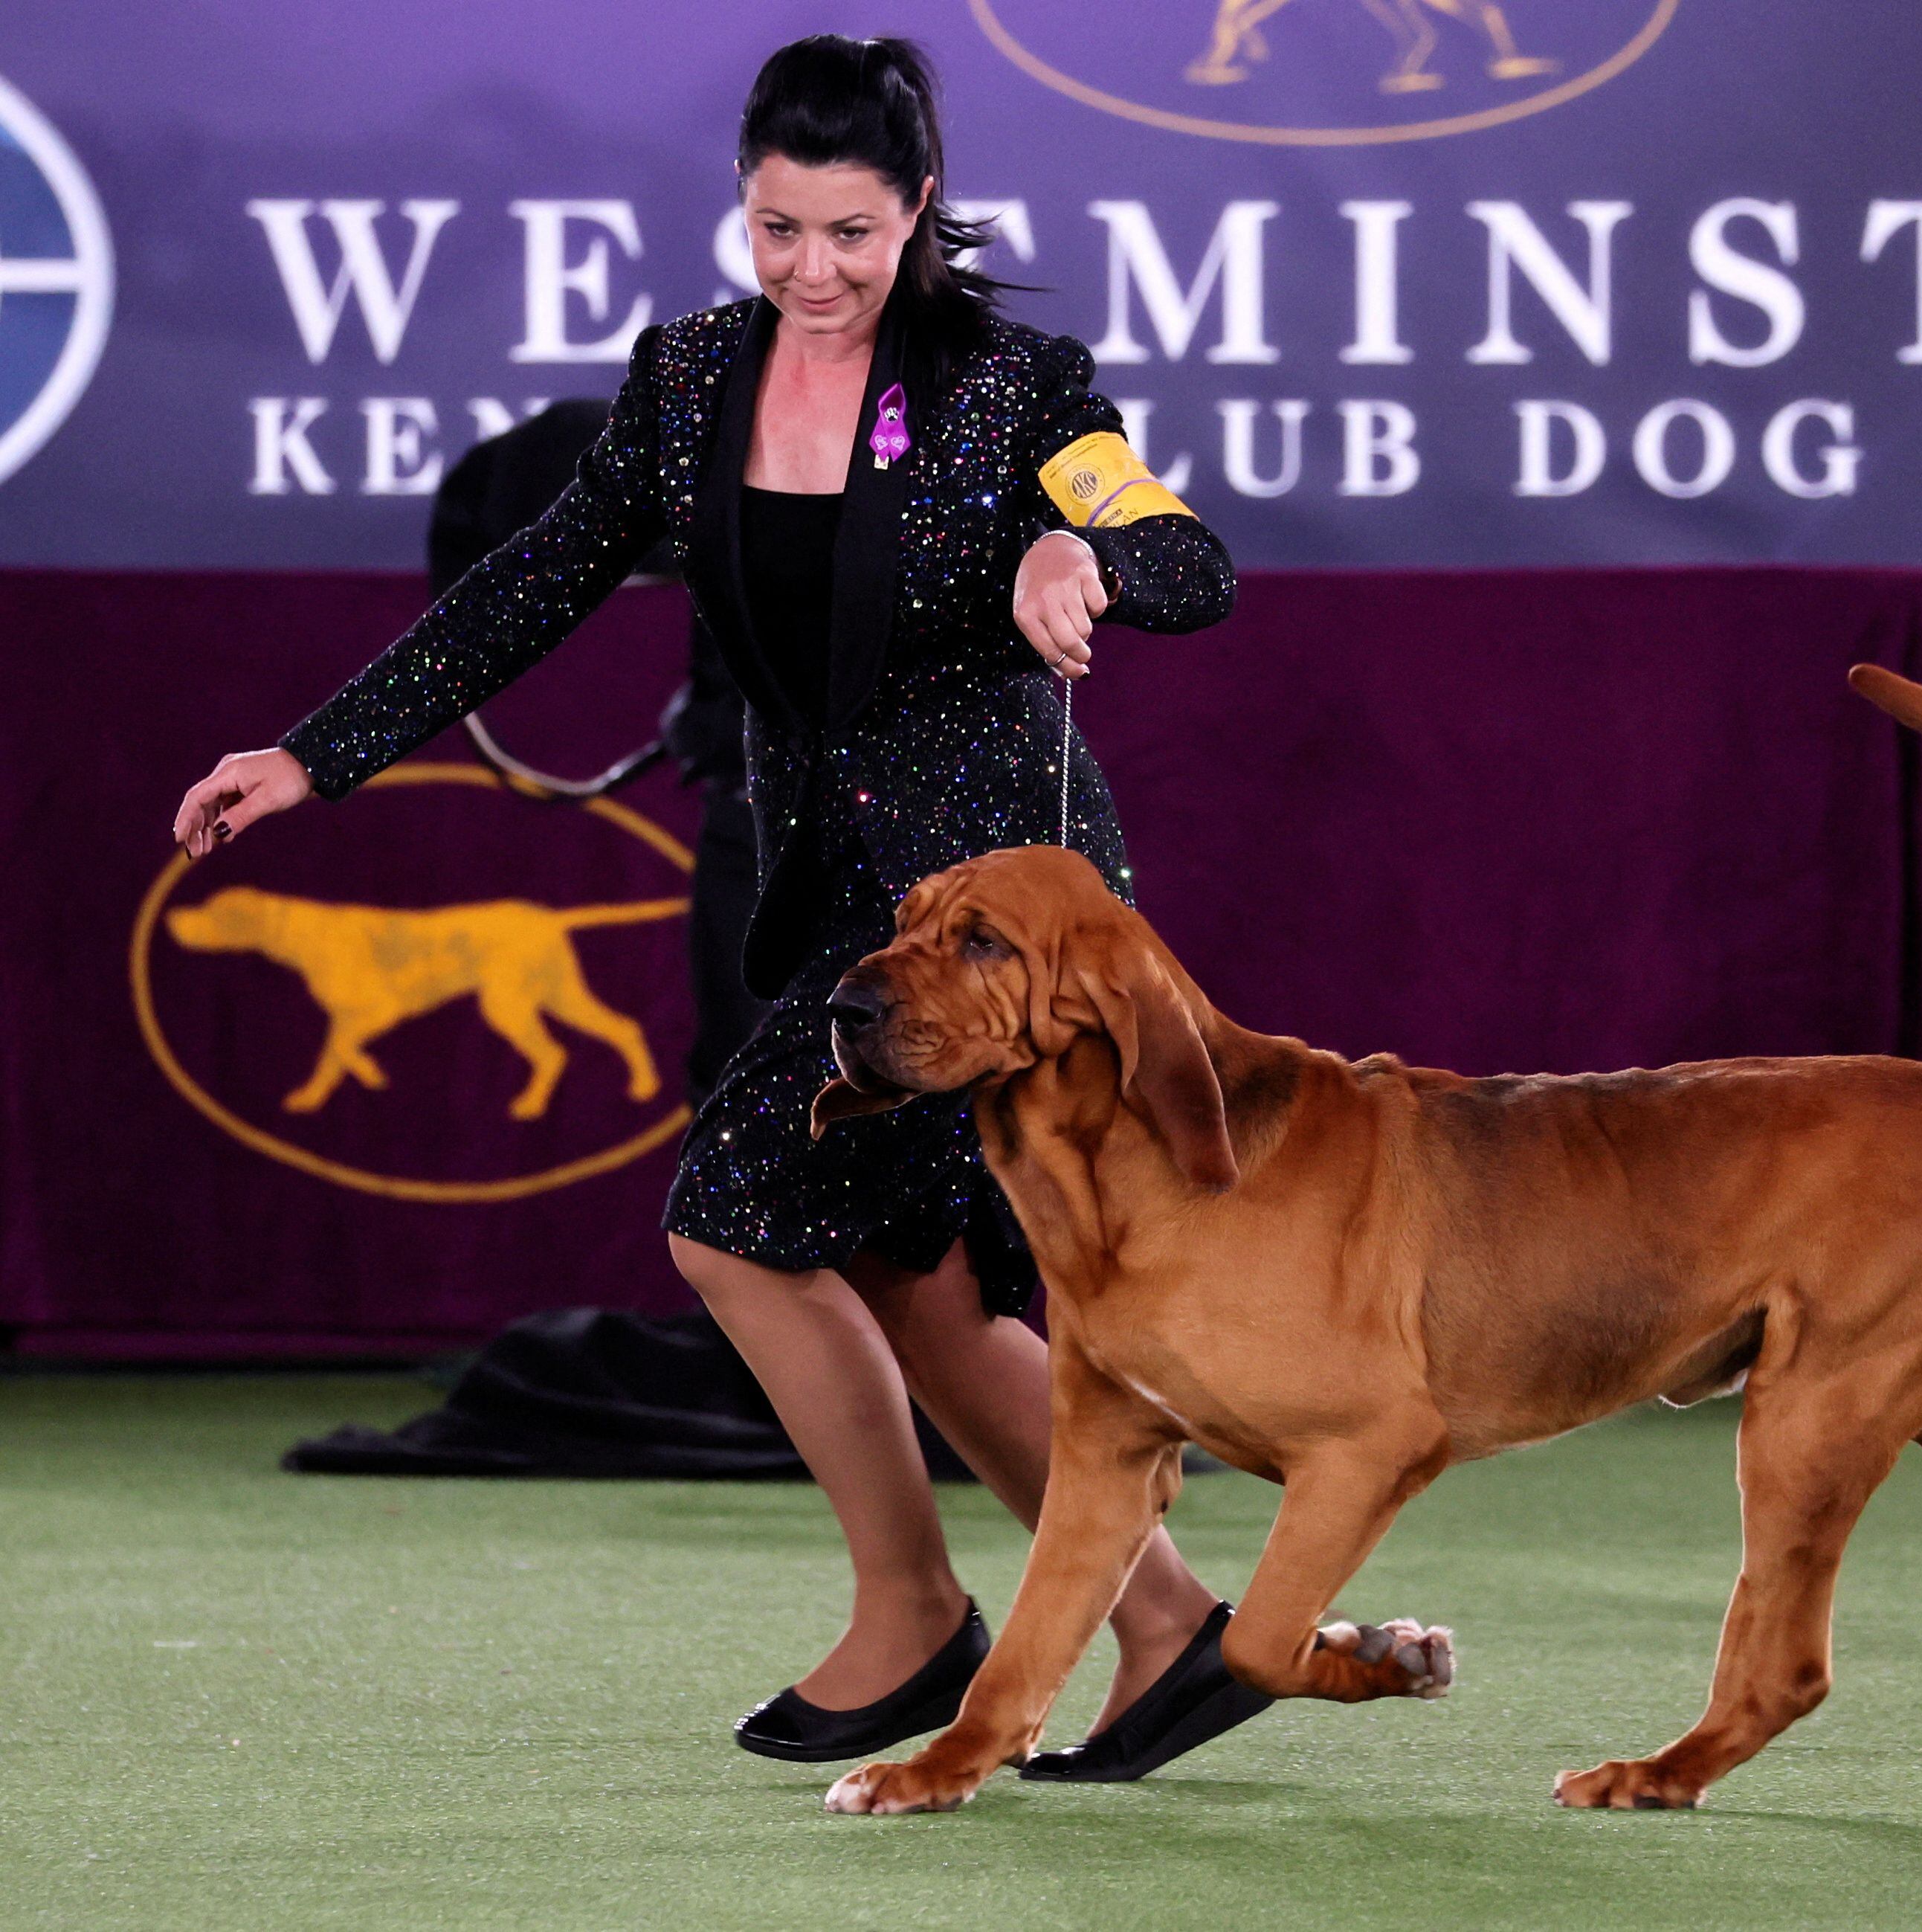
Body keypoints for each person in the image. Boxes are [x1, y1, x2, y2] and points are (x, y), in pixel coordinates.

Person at [171, 33, 1261, 1783]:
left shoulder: (1015, 384)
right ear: (740, 213)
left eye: (849, 232)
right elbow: (531, 587)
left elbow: (1188, 560)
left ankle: (912, 1613)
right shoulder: (686, 381)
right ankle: (1165, 1629)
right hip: (822, 886)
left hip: (983, 920)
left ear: (917, 211)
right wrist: (315, 756)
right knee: (914, 1285)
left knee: (731, 1216)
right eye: (774, 229)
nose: (812, 272)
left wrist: (1087, 555)